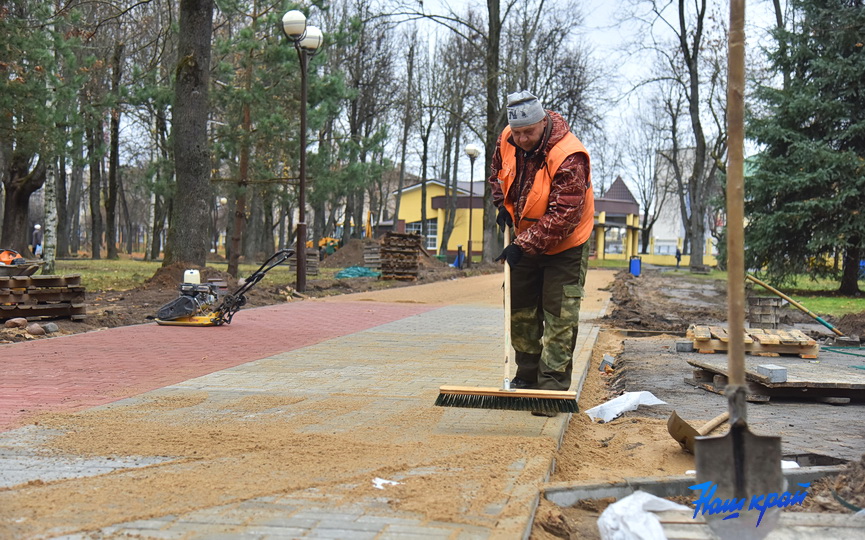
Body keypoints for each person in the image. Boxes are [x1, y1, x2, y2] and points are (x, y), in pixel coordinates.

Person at [489, 90, 594, 416]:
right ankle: (526, 377)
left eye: (528, 132)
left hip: (566, 244)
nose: (521, 139)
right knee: (520, 310)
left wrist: (521, 246)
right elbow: (497, 173)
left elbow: (564, 216)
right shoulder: (507, 139)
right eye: (516, 132)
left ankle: (550, 390)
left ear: (543, 122)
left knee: (560, 316)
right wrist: (502, 205)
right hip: (525, 235)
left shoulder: (569, 156)